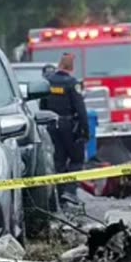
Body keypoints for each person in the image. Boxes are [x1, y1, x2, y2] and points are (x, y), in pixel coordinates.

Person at [41, 53, 89, 207]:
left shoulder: (47, 82)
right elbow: (80, 109)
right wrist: (85, 131)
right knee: (77, 159)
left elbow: (42, 105)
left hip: (51, 125)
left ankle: (60, 196)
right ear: (71, 67)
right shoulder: (72, 83)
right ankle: (70, 191)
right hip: (69, 126)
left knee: (58, 160)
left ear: (60, 64)